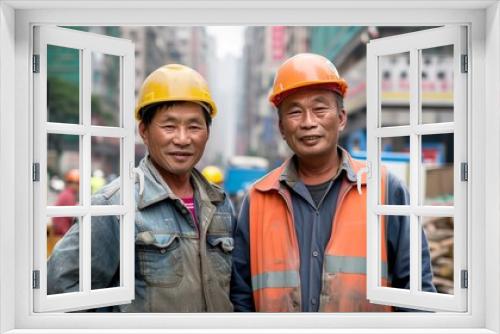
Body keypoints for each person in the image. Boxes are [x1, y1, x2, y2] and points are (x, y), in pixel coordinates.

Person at [230, 53, 436, 312]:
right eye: (295, 112)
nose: (308, 122)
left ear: (341, 118)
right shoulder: (258, 198)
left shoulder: (384, 189)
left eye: (320, 109)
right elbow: (241, 298)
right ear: (282, 128)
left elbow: (417, 294)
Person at [47, 64, 236, 312]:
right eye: (169, 126)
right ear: (144, 131)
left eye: (194, 126)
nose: (182, 138)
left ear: (207, 133)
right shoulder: (115, 206)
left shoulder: (220, 205)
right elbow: (62, 290)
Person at [51, 169, 79, 236]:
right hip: (63, 233)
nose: (79, 186)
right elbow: (73, 216)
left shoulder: (66, 193)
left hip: (60, 231)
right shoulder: (68, 195)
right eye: (78, 183)